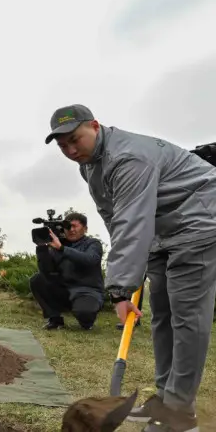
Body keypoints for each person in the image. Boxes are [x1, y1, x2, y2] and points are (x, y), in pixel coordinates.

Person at [45, 104, 216, 432]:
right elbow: (114, 217)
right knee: (162, 313)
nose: (69, 150)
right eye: (62, 145)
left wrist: (121, 288)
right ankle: (167, 399)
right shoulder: (91, 164)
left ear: (95, 126)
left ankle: (180, 415)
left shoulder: (128, 158)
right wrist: (135, 267)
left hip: (199, 219)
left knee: (187, 314)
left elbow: (131, 219)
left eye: (74, 139)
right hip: (162, 229)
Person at [29, 212, 105, 330]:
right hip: (65, 290)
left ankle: (86, 321)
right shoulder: (58, 244)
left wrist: (62, 248)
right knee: (37, 279)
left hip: (87, 291)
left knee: (84, 313)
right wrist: (42, 249)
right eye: (68, 227)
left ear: (85, 229)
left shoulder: (93, 244)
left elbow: (89, 260)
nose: (71, 230)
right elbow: (47, 271)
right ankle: (55, 319)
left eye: (75, 226)